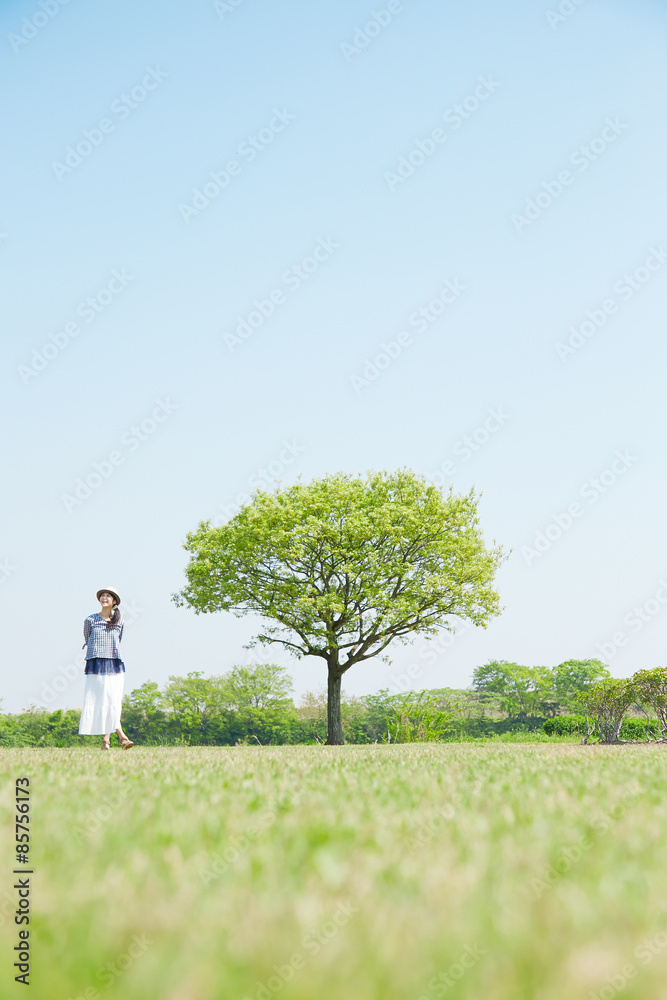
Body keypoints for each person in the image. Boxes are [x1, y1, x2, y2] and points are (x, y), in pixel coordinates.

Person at [78, 588, 134, 750]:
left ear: (114, 601)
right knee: (102, 700)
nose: (104, 598)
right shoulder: (90, 620)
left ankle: (107, 740)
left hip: (115, 663)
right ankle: (122, 737)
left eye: (108, 596)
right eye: (102, 596)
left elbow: (118, 642)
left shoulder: (120, 622)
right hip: (96, 664)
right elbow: (88, 639)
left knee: (113, 700)